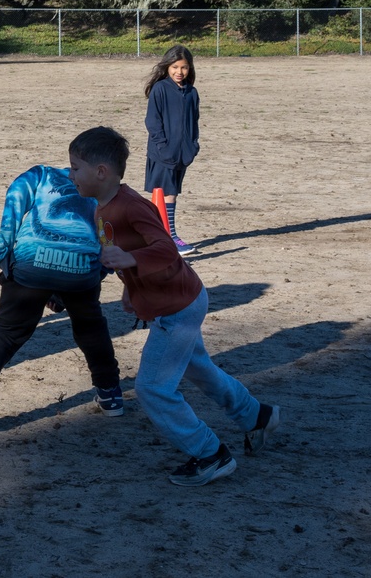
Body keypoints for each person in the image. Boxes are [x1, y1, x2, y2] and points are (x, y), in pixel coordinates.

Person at [67, 126, 280, 486]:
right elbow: (124, 256)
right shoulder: (102, 207)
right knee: (200, 370)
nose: (70, 174)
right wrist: (131, 288)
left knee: (152, 388)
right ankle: (256, 415)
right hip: (177, 301)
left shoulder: (132, 205)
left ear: (101, 172)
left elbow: (166, 249)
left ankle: (210, 454)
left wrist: (131, 261)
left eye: (75, 167)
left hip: (178, 308)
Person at [0, 164, 122, 428]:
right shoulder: (105, 188)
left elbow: (13, 203)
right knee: (91, 327)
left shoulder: (40, 175)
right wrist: (99, 272)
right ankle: (110, 393)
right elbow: (111, 237)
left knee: (5, 332)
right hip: (82, 268)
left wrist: (5, 259)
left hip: (32, 260)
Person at [143, 44, 200, 256]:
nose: (179, 72)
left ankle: (163, 237)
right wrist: (162, 147)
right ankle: (168, 237)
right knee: (166, 194)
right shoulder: (160, 89)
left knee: (172, 193)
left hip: (181, 155)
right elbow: (152, 121)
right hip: (162, 154)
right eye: (175, 66)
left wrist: (193, 146)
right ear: (167, 66)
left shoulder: (192, 93)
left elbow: (194, 122)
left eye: (184, 67)